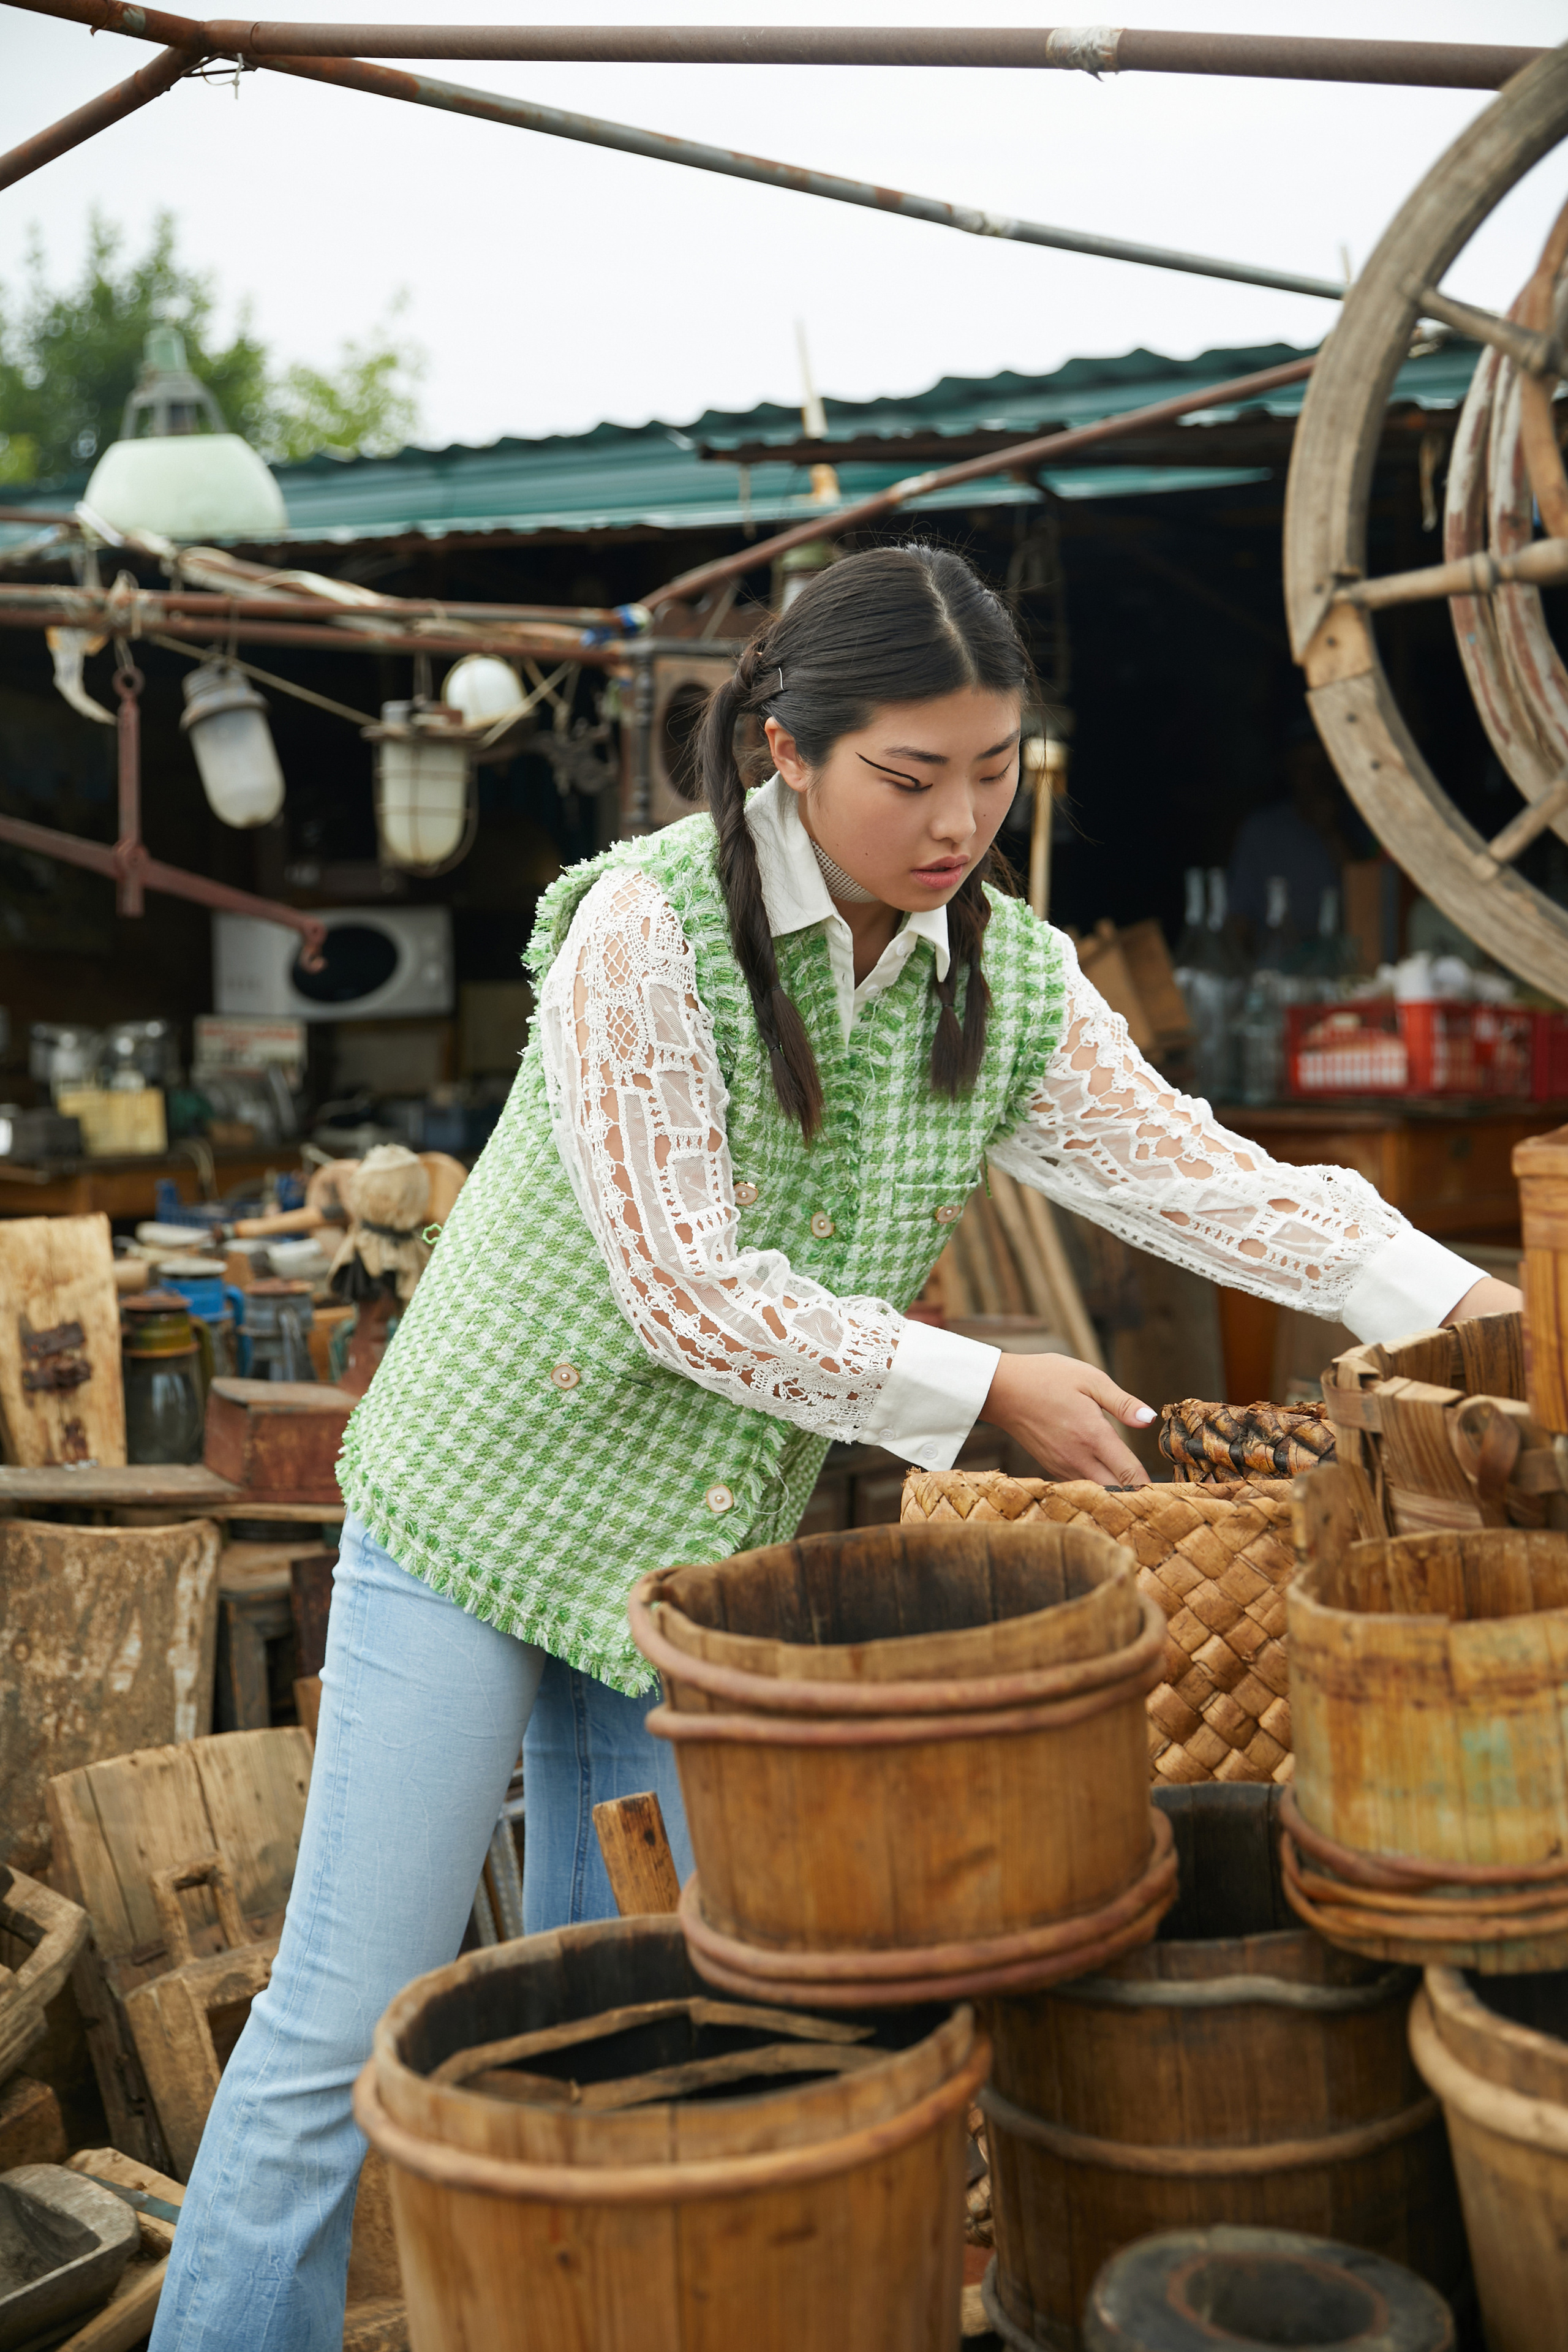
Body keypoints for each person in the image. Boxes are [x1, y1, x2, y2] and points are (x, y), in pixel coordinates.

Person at [151, 545, 1517, 2350]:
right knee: (347, 2018)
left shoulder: (1005, 980)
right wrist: (990, 1381)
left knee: (643, 2014)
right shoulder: (650, 930)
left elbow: (1221, 1189)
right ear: (786, 749)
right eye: (908, 775)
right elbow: (685, 1294)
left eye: (993, 769)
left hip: (693, 1562)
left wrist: (1492, 1327)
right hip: (485, 1504)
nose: (958, 819)